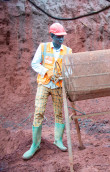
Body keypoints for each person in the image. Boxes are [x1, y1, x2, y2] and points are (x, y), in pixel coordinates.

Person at [22, 23, 72, 160]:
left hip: (58, 86)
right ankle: (35, 144)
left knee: (59, 113)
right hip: (44, 84)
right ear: (51, 36)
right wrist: (46, 72)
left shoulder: (68, 51)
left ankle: (58, 140)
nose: (61, 39)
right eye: (58, 37)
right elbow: (35, 63)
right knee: (39, 111)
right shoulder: (43, 47)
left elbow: (70, 70)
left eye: (63, 37)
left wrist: (63, 75)